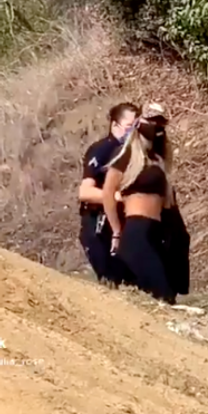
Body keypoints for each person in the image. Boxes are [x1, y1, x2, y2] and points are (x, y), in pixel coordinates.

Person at [101, 102, 185, 304]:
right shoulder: (127, 154)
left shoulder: (158, 160)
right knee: (161, 292)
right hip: (137, 231)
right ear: (141, 123)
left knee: (166, 292)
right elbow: (108, 193)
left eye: (160, 124)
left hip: (155, 232)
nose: (157, 128)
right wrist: (116, 230)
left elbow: (167, 202)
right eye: (152, 122)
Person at [79, 102, 139, 285]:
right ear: (115, 125)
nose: (133, 132)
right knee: (112, 282)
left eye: (137, 126)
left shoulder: (136, 153)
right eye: (129, 126)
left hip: (125, 224)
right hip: (98, 224)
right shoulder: (102, 150)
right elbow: (85, 192)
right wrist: (117, 197)